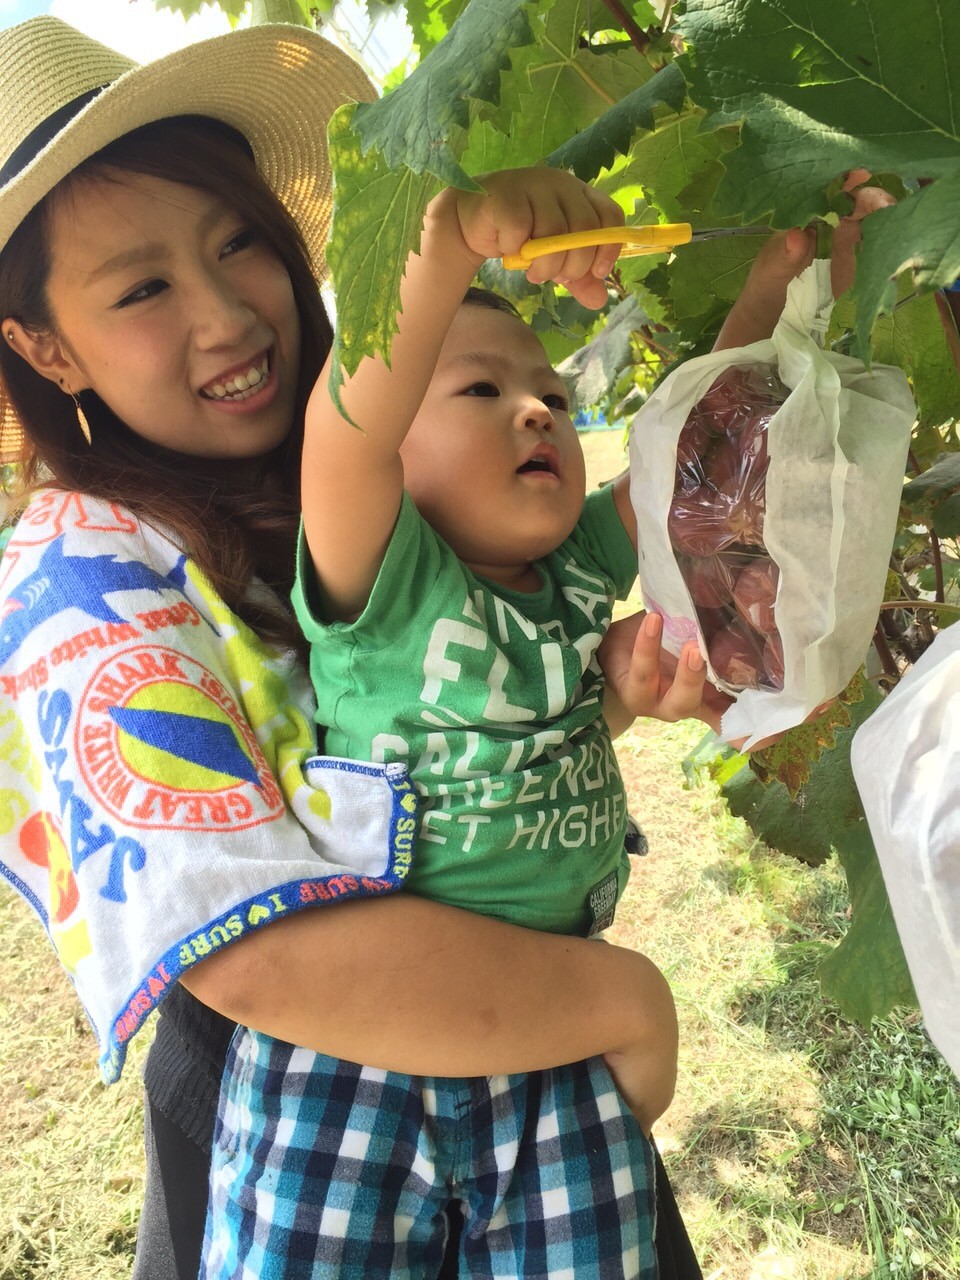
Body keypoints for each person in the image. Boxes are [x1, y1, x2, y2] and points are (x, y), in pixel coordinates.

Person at [0, 16, 718, 1280]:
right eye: (142, 287)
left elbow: (428, 722)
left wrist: (602, 691)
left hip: (522, 1046)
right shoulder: (79, 573)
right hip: (321, 1099)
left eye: (239, 245)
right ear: (44, 345)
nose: (226, 314)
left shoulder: (364, 463)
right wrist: (622, 1001)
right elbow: (257, 949)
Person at [202, 170, 693, 1278]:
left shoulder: (573, 573)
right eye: (477, 390)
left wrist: (784, 278)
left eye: (557, 402)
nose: (538, 410)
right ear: (400, 453)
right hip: (353, 1050)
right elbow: (347, 437)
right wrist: (451, 244)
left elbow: (684, 451)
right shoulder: (383, 576)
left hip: (551, 1027)